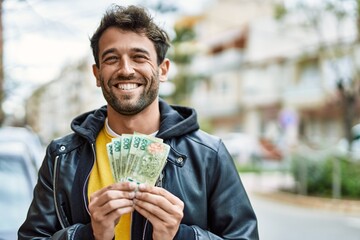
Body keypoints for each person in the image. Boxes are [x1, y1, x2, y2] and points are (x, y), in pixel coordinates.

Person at [18, 4, 259, 240]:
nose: (126, 69)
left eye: (139, 57)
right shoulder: (62, 157)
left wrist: (180, 236)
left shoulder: (209, 155)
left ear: (163, 70)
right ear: (97, 75)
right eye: (112, 59)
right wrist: (88, 234)